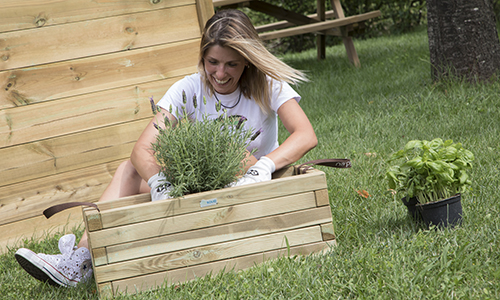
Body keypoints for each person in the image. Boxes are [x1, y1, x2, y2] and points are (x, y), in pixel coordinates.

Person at [14, 9, 317, 287]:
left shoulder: (268, 84)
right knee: (130, 169)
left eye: (231, 64)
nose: (221, 74)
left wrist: (263, 167)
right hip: (207, 188)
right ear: (202, 58)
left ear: (247, 60)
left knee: (231, 150)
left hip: (254, 187)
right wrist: (159, 182)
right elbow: (141, 150)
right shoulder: (189, 88)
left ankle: (87, 247)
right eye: (213, 62)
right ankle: (78, 260)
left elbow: (305, 135)